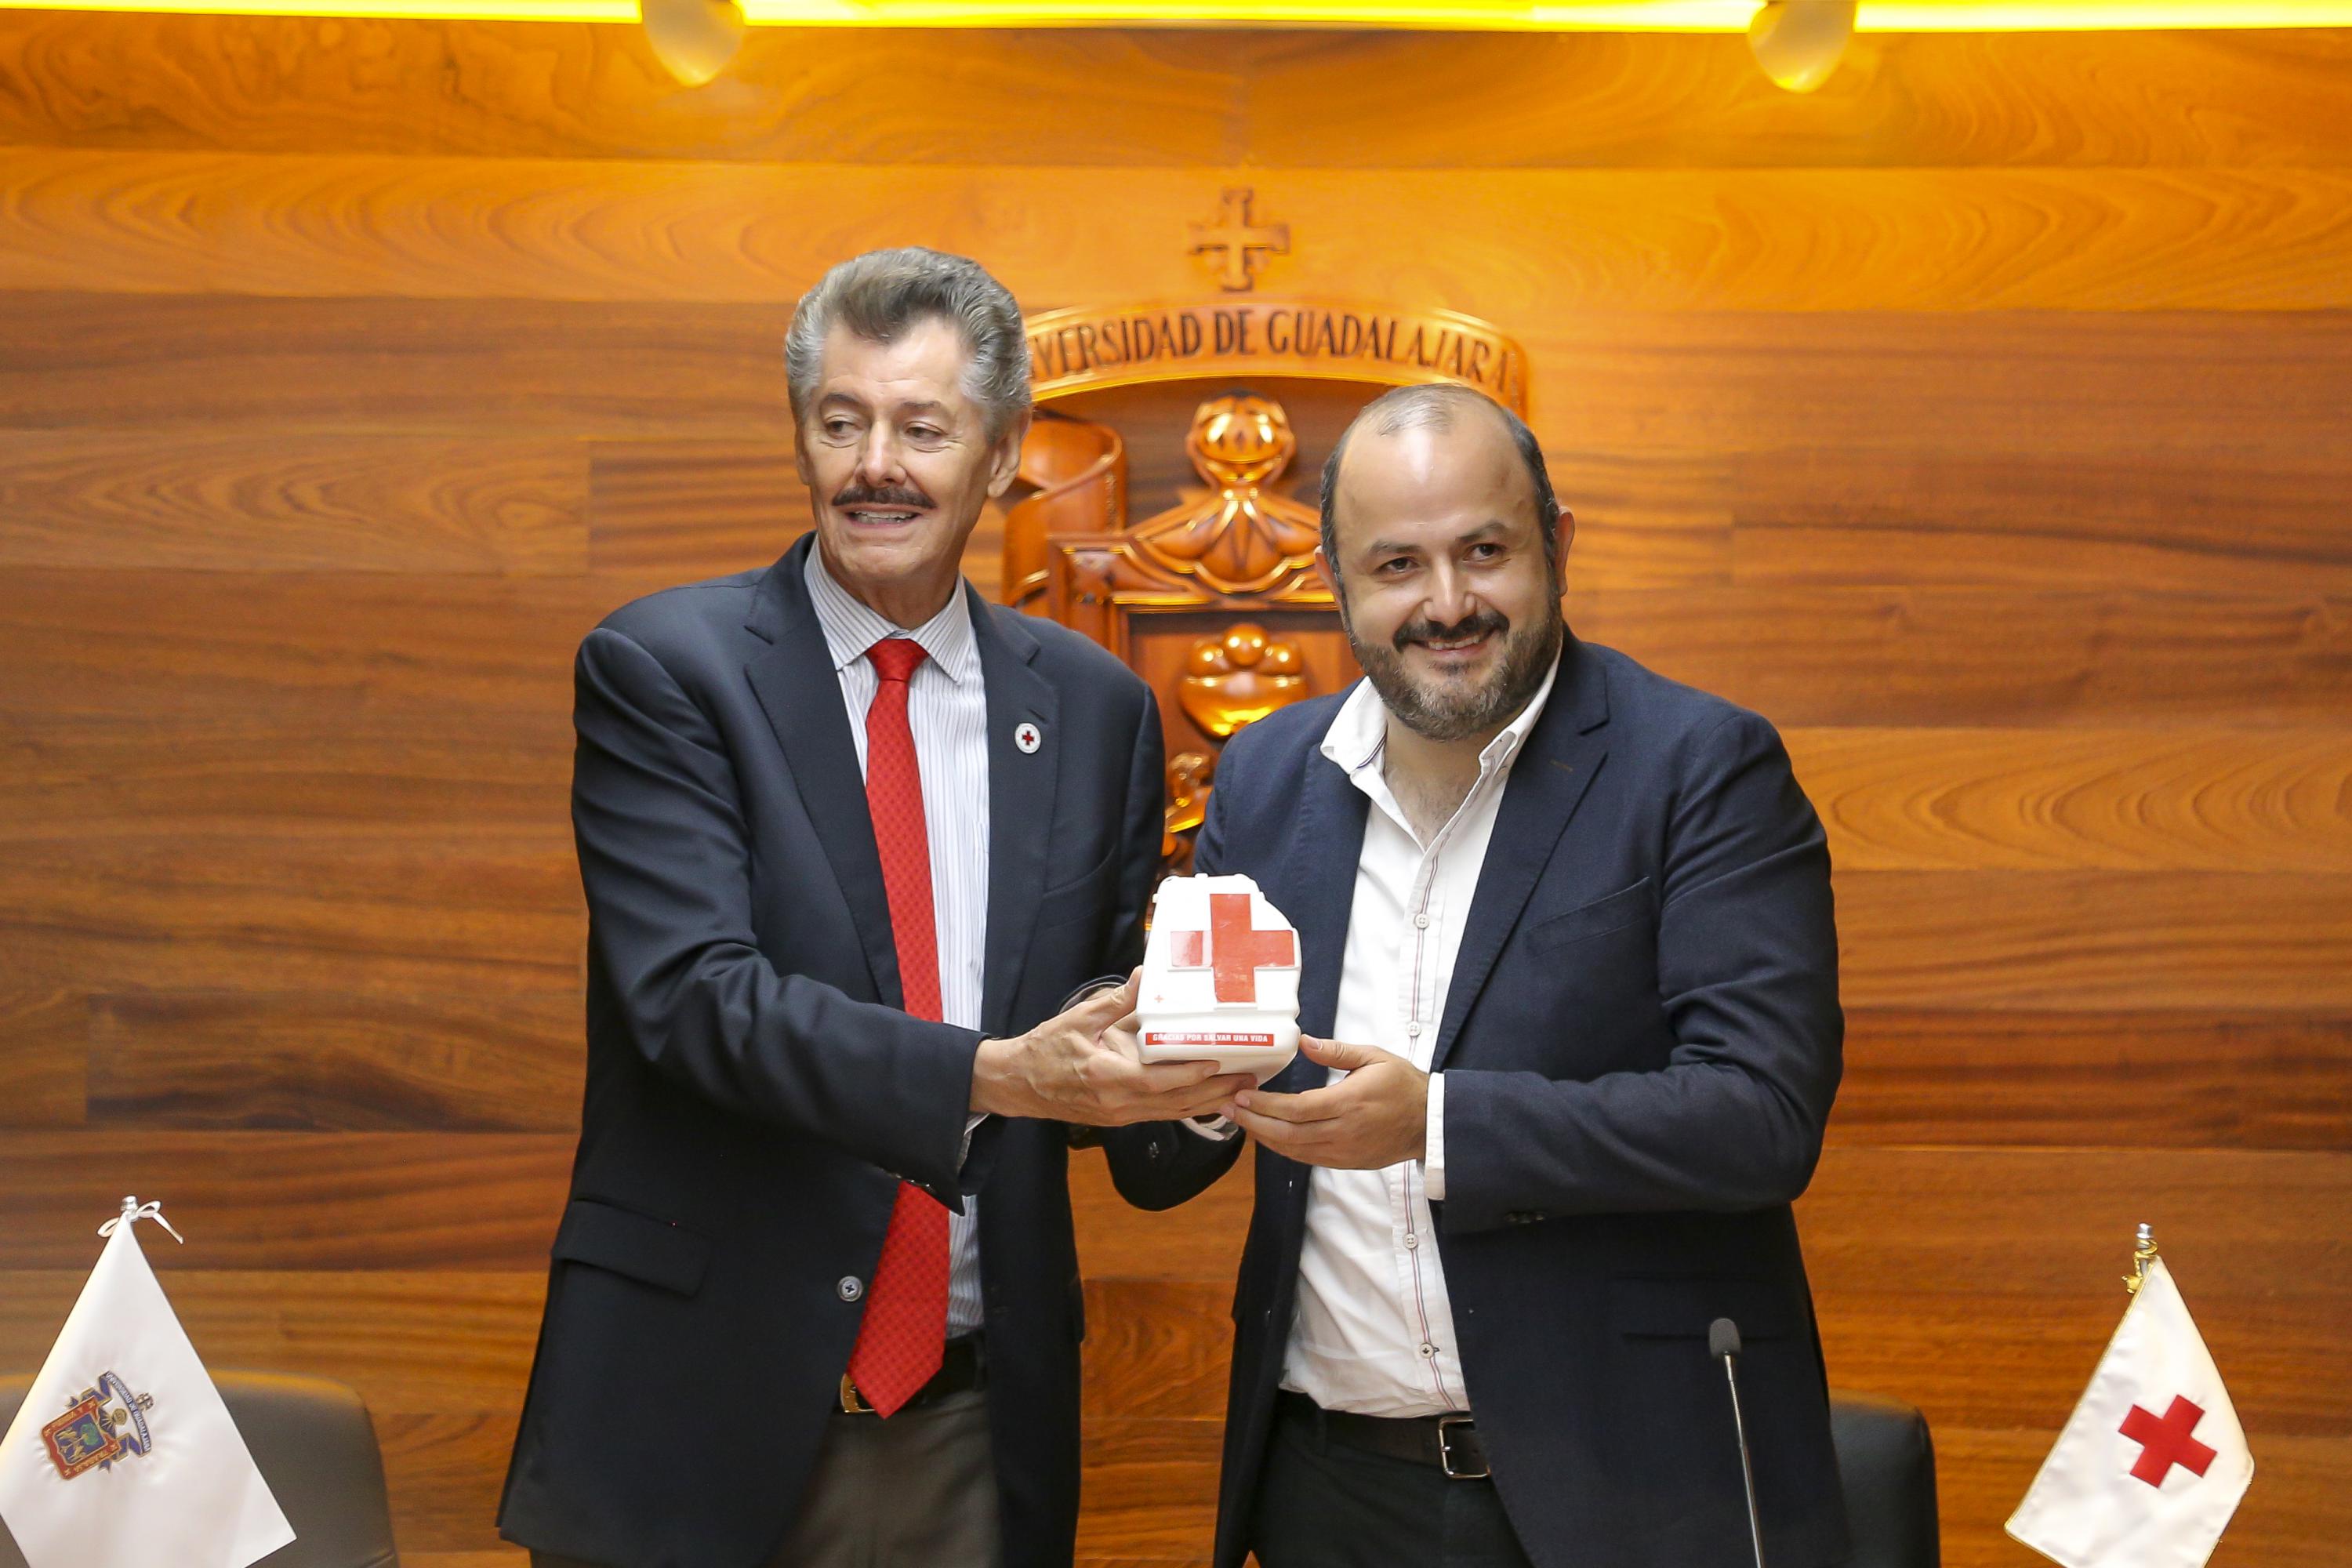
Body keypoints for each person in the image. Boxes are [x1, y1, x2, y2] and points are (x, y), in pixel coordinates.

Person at [498, 247, 1252, 1568]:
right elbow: (694, 1003)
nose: (874, 465)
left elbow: (1090, 1047)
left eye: (921, 427)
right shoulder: (664, 671)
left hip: (973, 1423)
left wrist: (1189, 1077)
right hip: (701, 1404)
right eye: (839, 422)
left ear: (1004, 452)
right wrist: (1002, 1076)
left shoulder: (1094, 711)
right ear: (800, 436)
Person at [1112, 383, 1849, 1568]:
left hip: (1628, 1494)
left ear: (1556, 545)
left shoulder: (1700, 768)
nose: (1447, 604)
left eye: (1485, 552)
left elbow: (1760, 1119)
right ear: (1337, 577)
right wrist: (1189, 1083)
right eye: (1397, 563)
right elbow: (1157, 1165)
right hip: (1328, 1490)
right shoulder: (1264, 781)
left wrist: (1437, 1124)